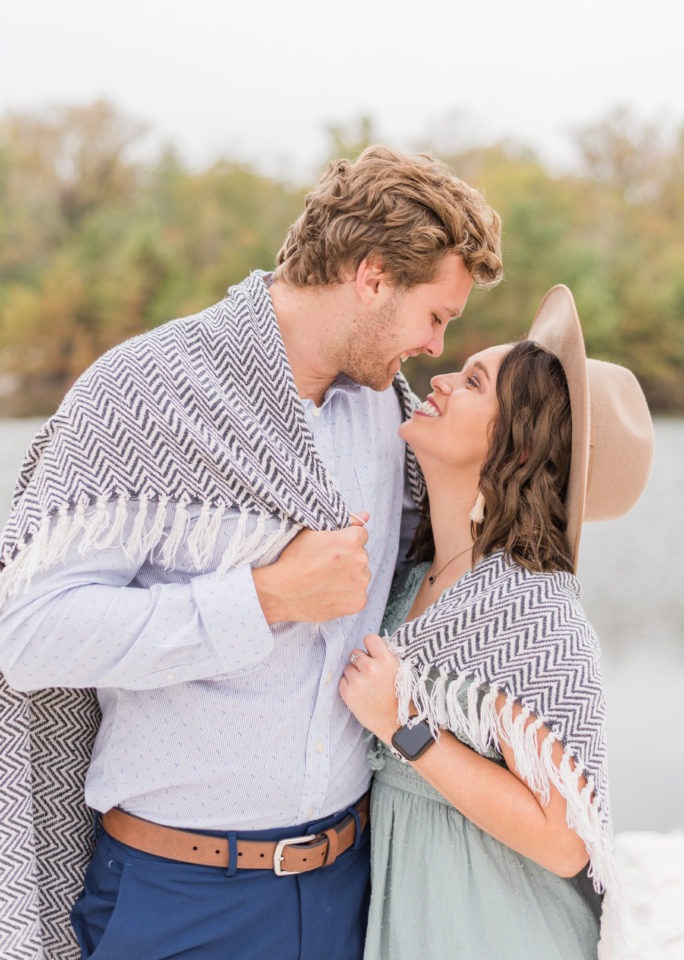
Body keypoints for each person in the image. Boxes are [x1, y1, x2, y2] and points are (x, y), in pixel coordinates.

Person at [0, 145, 502, 960]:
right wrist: (265, 597)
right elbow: (26, 636)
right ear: (372, 276)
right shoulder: (141, 392)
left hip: (346, 887)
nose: (437, 347)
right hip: (176, 897)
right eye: (437, 316)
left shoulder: (390, 420)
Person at [340, 284, 654, 960]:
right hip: (416, 917)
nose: (443, 378)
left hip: (498, 931)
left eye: (474, 380)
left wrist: (403, 724)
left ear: (514, 450)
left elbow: (564, 838)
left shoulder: (533, 613)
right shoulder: (407, 577)